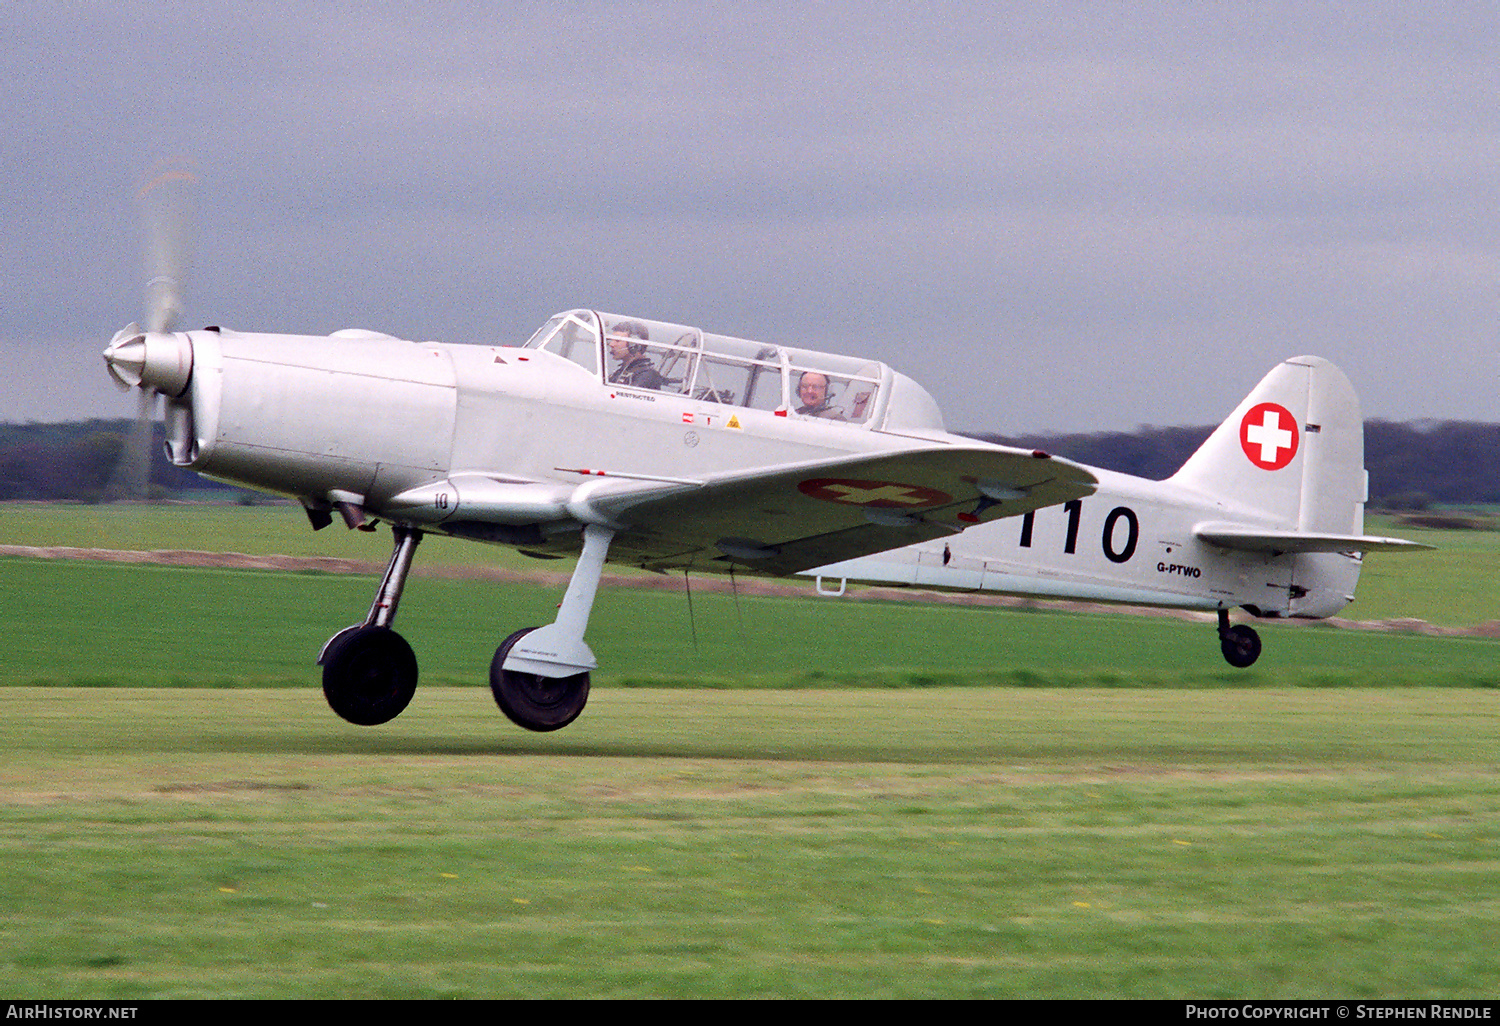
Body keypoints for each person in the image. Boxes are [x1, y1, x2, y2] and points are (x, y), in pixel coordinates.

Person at [606, 321, 665, 390]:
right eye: (612, 340)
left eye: (617, 341)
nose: (611, 344)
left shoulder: (646, 375)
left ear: (633, 345)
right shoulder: (620, 372)